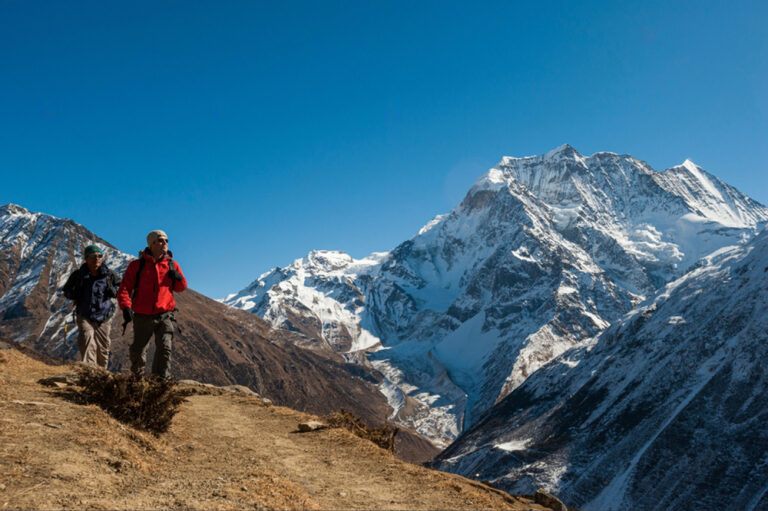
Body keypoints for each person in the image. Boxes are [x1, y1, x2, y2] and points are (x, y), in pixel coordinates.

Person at [117, 230, 187, 379]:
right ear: (152, 244)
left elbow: (181, 288)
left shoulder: (172, 265)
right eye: (161, 240)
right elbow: (124, 289)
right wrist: (126, 306)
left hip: (165, 314)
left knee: (165, 348)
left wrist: (179, 278)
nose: (165, 244)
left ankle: (160, 382)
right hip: (142, 315)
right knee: (139, 350)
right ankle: (137, 380)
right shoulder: (137, 266)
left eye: (167, 240)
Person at [62, 244, 121, 369]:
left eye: (100, 256)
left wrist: (113, 291)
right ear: (86, 258)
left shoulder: (109, 275)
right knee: (87, 340)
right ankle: (90, 372)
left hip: (104, 315)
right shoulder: (79, 275)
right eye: (93, 256)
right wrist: (74, 294)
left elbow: (121, 286)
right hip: (85, 314)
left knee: (103, 347)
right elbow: (66, 289)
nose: (97, 259)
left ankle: (100, 373)